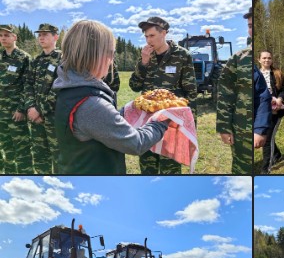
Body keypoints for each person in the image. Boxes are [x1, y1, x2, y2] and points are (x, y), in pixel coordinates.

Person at [53, 20, 170, 174]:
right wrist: (162, 119)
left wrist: (129, 109)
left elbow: (102, 122)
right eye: (111, 53)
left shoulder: (70, 88)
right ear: (95, 55)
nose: (111, 61)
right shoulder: (91, 104)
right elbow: (136, 143)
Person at [129, 16, 197, 175]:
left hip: (171, 123)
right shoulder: (146, 56)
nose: (148, 40)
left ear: (164, 33)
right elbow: (134, 86)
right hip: (148, 122)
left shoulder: (182, 55)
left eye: (151, 36)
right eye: (146, 36)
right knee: (148, 169)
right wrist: (143, 64)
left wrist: (190, 124)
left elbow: (191, 92)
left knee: (171, 170)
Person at [218, 7, 265, 174]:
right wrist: (224, 126)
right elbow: (225, 93)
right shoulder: (238, 58)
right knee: (242, 170)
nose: (252, 29)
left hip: (263, 124)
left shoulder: (269, 54)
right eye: (250, 25)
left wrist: (261, 128)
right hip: (241, 128)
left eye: (255, 25)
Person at [24, 23, 62, 174]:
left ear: (55, 37)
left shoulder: (63, 59)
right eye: (39, 35)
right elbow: (28, 85)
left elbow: (61, 88)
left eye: (45, 34)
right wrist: (31, 107)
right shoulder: (36, 60)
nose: (41, 37)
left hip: (54, 118)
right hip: (36, 119)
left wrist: (41, 111)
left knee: (59, 158)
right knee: (40, 158)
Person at [0, 24, 33, 174]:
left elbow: (28, 86)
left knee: (22, 149)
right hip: (1, 113)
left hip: (15, 113)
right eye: (1, 35)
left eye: (7, 35)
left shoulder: (24, 58)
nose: (3, 38)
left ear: (15, 37)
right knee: (6, 148)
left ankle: (26, 175)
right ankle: (9, 174)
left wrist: (21, 109)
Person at [258, 50, 284, 174]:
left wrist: (280, 100)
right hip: (260, 111)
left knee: (267, 139)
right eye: (264, 58)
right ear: (259, 60)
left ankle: (266, 168)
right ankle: (277, 154)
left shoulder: (277, 73)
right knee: (265, 136)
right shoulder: (255, 74)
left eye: (269, 58)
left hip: (275, 110)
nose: (267, 60)